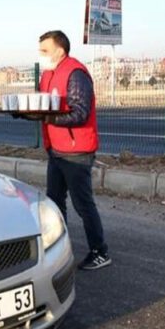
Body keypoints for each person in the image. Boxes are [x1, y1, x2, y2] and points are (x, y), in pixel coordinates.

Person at [32, 30, 111, 270]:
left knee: (82, 203)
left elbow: (80, 112)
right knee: (54, 202)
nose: (41, 55)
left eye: (45, 51)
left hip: (76, 150)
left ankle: (100, 251)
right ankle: (59, 249)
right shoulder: (47, 75)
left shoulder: (76, 74)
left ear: (60, 50)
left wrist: (49, 119)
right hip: (55, 148)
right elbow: (43, 106)